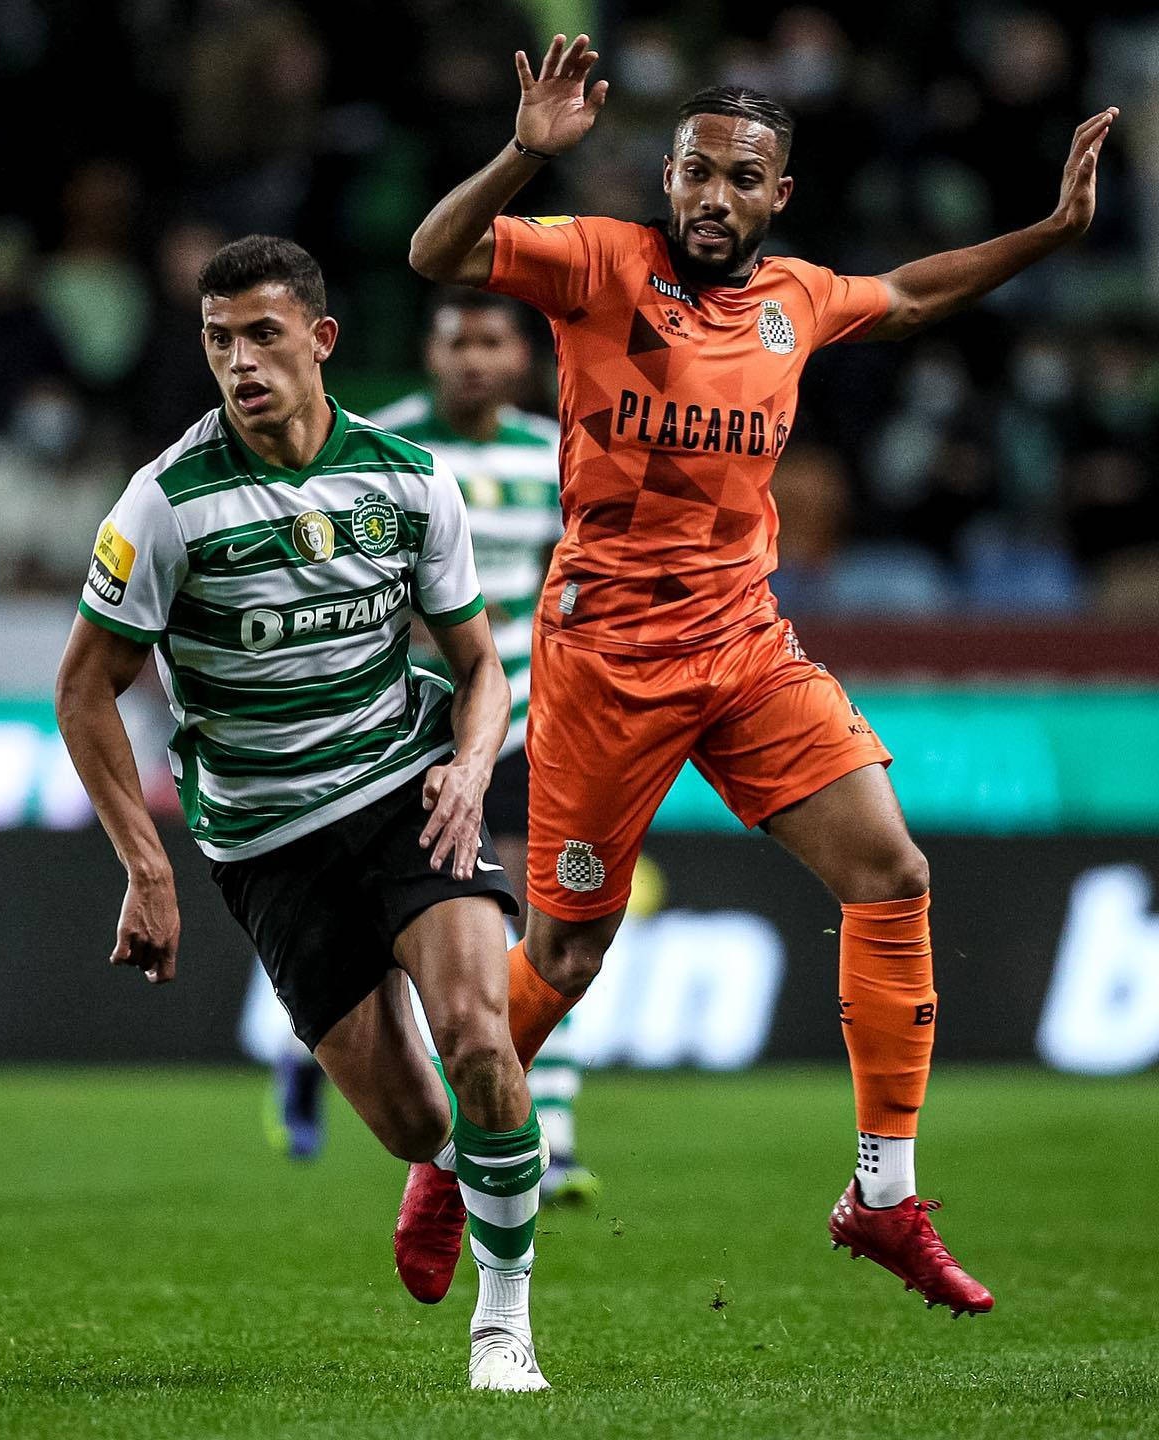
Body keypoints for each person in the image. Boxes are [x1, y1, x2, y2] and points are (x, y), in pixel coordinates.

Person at [395, 31, 1118, 1317]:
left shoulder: (796, 295)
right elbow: (435, 257)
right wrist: (522, 153)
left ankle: (883, 1197)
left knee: (893, 872)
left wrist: (1052, 234)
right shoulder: (598, 261)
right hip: (607, 663)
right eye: (694, 172)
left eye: (740, 177)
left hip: (745, 648)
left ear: (779, 191)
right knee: (564, 955)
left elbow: (915, 294)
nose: (713, 197)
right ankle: (461, 1149)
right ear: (666, 177)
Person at [55, 235, 550, 1391]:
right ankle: (449, 1163)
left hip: (405, 790)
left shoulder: (410, 477)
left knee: (481, 1034)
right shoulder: (165, 504)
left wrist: (473, 768)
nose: (240, 362)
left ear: (320, 341)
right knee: (414, 1124)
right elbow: (85, 685)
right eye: (219, 341)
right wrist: (149, 865)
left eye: (262, 336)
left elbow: (480, 666)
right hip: (266, 842)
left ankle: (505, 1322)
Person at [270, 289, 597, 1202]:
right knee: (391, 939)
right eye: (457, 342)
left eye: (491, 342)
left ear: (520, 359)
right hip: (406, 734)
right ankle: (309, 1053)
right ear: (432, 352)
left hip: (520, 729)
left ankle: (554, 1131)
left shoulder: (551, 457)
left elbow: (566, 584)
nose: (473, 359)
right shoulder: (387, 448)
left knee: (534, 930)